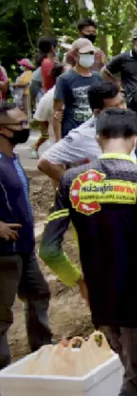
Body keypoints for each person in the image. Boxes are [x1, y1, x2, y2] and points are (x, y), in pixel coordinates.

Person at [39, 108, 137, 396]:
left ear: (98, 138)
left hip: (100, 298)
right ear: (136, 138)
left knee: (126, 371)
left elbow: (48, 250)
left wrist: (79, 281)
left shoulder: (72, 180)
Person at [0, 103, 53, 372]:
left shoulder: (12, 158)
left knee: (38, 292)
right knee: (1, 313)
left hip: (23, 247)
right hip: (4, 252)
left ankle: (43, 351)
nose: (25, 128)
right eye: (20, 125)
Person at [38, 82, 127, 182]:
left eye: (122, 102)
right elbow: (45, 162)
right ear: (98, 112)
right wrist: (76, 186)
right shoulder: (82, 135)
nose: (123, 109)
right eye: (115, 107)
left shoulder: (127, 124)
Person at [54, 39, 104, 141]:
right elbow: (57, 113)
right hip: (72, 133)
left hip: (94, 133)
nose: (89, 56)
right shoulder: (64, 79)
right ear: (75, 55)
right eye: (85, 53)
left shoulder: (98, 77)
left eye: (91, 53)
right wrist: (58, 141)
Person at [30, 63, 69, 159]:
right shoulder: (50, 96)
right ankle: (34, 147)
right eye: (69, 73)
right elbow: (40, 117)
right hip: (54, 132)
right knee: (46, 134)